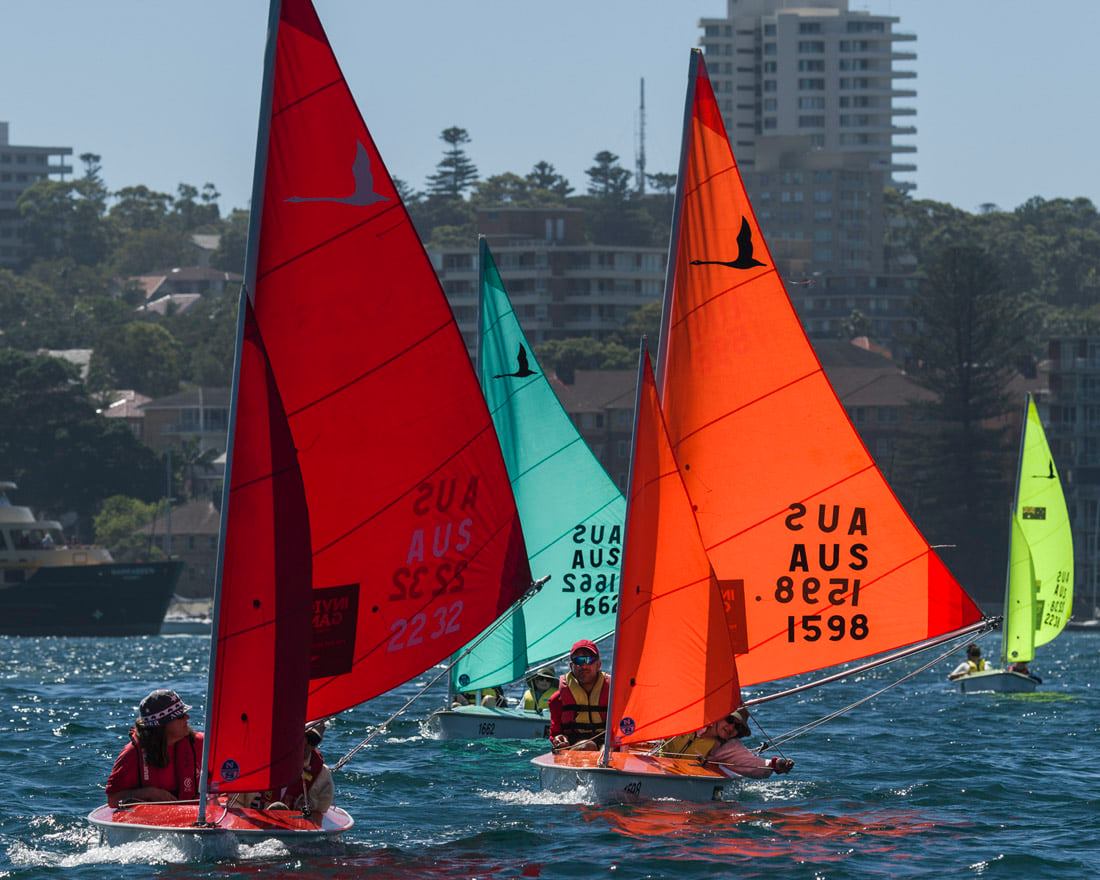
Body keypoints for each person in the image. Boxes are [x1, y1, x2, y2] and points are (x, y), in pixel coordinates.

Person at [105, 689, 202, 808]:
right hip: (154, 821)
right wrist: (148, 793)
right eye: (180, 716)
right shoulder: (132, 754)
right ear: (161, 725)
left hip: (198, 815)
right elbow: (113, 800)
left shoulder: (202, 744)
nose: (187, 717)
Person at [661, 708, 794, 779]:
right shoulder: (690, 719)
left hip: (682, 780)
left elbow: (752, 765)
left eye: (738, 727)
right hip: (658, 767)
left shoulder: (726, 746)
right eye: (730, 720)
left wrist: (775, 765)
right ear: (718, 716)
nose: (731, 728)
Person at [233, 722, 335, 814]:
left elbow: (320, 812)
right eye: (303, 736)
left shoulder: (322, 776)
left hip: (293, 831)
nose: (306, 743)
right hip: (252, 828)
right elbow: (234, 803)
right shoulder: (252, 763)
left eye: (313, 740)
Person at [548, 639, 610, 751]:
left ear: (598, 664)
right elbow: (555, 733)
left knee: (607, 749)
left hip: (607, 747)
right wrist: (558, 738)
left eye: (589, 660)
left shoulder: (615, 695)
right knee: (588, 746)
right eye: (579, 660)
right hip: (576, 747)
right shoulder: (557, 700)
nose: (584, 666)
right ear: (571, 666)